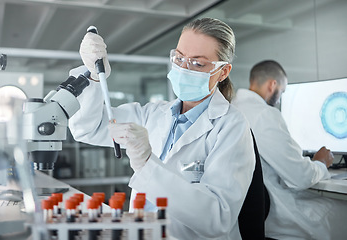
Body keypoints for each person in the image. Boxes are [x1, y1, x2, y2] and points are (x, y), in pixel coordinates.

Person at [69, 18, 256, 239]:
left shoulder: (231, 125)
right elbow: (88, 128)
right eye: (179, 57)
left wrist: (147, 164)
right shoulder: (153, 113)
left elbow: (218, 218)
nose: (184, 68)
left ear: (223, 72)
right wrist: (93, 76)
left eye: (197, 63)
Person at [232, 60, 347, 240]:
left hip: (248, 219)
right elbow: (300, 176)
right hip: (278, 217)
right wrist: (321, 163)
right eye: (282, 92)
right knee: (341, 211)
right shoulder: (264, 114)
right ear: (273, 85)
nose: (279, 99)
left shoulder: (234, 108)